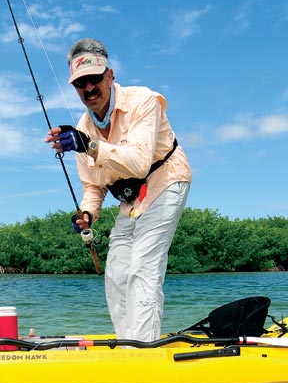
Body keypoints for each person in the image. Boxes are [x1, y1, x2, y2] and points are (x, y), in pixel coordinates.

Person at [45, 38, 191, 342]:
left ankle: (144, 348)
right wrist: (88, 213)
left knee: (143, 267)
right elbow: (92, 184)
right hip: (130, 201)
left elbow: (138, 162)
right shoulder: (83, 126)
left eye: (94, 79)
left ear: (109, 75)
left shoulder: (144, 101)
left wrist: (88, 144)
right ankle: (129, 346)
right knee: (116, 275)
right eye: (80, 83)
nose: (88, 89)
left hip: (165, 180)